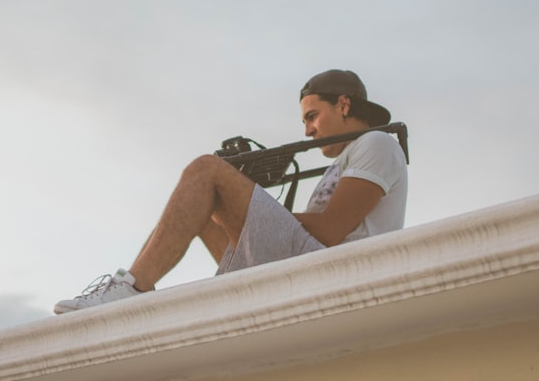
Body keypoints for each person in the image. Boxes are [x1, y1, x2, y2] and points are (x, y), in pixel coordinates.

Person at [53, 69, 408, 314]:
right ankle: (131, 282)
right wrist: (240, 208)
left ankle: (132, 289)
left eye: (312, 116)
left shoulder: (377, 143)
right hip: (306, 264)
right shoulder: (347, 158)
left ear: (343, 105)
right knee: (201, 206)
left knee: (206, 170)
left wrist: (250, 205)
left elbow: (330, 230)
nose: (308, 131)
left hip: (327, 272)